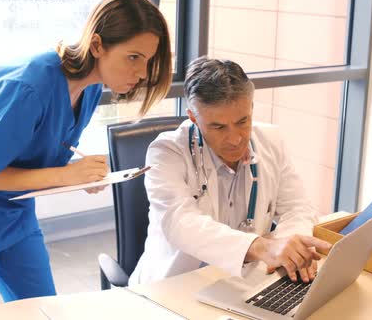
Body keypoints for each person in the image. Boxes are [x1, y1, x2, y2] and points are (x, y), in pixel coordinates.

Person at [0, 0, 171, 317]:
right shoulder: (28, 84)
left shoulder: (89, 88)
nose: (143, 72)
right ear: (97, 45)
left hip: (13, 210)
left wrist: (79, 175)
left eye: (148, 60)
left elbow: (36, 155)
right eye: (134, 57)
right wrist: (65, 174)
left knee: (45, 311)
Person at [129, 57, 332, 285]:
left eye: (243, 121)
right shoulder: (166, 152)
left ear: (251, 107)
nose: (235, 138)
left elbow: (298, 208)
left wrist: (291, 248)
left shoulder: (271, 141)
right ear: (194, 117)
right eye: (218, 127)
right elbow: (180, 223)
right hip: (172, 286)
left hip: (242, 282)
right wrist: (260, 246)